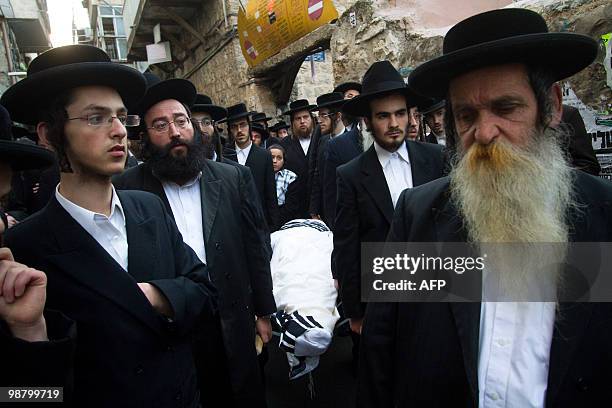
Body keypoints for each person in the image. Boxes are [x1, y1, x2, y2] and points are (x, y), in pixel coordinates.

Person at [359, 8, 612, 407]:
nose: (485, 132)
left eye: (506, 108)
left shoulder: (604, 219)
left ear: (552, 105)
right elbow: (379, 355)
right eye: (467, 115)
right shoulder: (418, 216)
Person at [1, 45, 216, 407]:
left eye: (120, 116)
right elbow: (22, 396)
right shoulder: (24, 248)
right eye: (96, 118)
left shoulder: (148, 207)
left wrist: (156, 296)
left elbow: (205, 293)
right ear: (48, 134)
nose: (118, 131)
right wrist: (30, 337)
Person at [113, 78, 275, 407]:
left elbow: (255, 249)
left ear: (194, 126)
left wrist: (264, 312)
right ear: (144, 137)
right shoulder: (126, 189)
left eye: (181, 121)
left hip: (231, 319)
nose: (174, 132)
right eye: (160, 125)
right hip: (169, 327)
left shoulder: (233, 178)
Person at [334, 60, 446, 335]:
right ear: (368, 121)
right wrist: (355, 313)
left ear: (410, 115)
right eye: (383, 116)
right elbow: (348, 249)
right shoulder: (351, 175)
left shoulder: (436, 159)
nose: (394, 124)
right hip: (381, 302)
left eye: (399, 113)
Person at [223, 103, 279, 231]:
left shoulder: (263, 155)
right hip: (233, 224)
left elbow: (270, 194)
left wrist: (274, 227)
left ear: (249, 126)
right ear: (230, 130)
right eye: (234, 127)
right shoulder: (224, 156)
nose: (239, 130)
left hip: (258, 223)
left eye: (242, 125)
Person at [308, 92, 346, 221]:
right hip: (327, 211)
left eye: (324, 115)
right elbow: (317, 175)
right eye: (318, 116)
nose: (319, 120)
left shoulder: (354, 141)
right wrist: (314, 209)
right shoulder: (323, 141)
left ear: (338, 116)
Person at [280, 99, 318, 220]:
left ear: (312, 119)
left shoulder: (321, 141)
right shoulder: (284, 145)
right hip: (294, 209)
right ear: (292, 123)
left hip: (317, 208)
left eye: (306, 117)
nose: (302, 121)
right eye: (298, 118)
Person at [268, 144, 303, 225]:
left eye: (279, 158)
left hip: (284, 220)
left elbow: (292, 205)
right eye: (272, 157)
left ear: (284, 160)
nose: (275, 161)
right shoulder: (260, 174)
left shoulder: (291, 177)